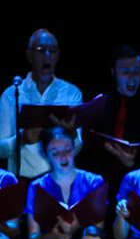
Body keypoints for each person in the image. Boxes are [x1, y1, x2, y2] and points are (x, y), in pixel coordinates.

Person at [26, 127, 105, 239]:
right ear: (46, 155)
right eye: (55, 152)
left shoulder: (93, 182)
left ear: (74, 149)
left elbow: (99, 232)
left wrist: (77, 229)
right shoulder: (37, 187)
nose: (63, 157)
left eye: (67, 150)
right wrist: (52, 237)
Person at [0, 29, 81, 179]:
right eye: (41, 50)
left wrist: (72, 133)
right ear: (29, 55)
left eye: (52, 50)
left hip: (59, 181)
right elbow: (1, 149)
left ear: (58, 56)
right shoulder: (12, 94)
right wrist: (21, 140)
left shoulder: (71, 93)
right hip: (22, 178)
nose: (47, 55)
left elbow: (77, 147)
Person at [87, 45, 140, 179]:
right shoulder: (99, 105)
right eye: (125, 71)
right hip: (100, 179)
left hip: (138, 180)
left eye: (137, 71)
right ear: (113, 72)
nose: (132, 77)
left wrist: (132, 163)